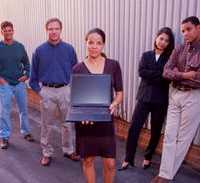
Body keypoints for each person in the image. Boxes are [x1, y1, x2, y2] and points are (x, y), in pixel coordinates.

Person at [151, 16, 200, 183]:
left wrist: (177, 75)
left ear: (198, 28)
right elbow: (166, 72)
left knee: (184, 138)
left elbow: (199, 78)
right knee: (170, 135)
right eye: (183, 31)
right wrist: (185, 75)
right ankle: (166, 173)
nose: (185, 33)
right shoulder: (179, 49)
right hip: (175, 94)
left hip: (193, 97)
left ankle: (165, 175)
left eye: (188, 29)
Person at [119, 27, 175, 171]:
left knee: (156, 130)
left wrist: (156, 75)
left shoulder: (170, 59)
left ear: (169, 43)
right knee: (134, 128)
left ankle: (148, 157)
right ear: (156, 38)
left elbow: (168, 79)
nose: (163, 42)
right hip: (144, 98)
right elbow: (141, 72)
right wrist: (160, 74)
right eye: (161, 38)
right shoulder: (146, 55)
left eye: (167, 41)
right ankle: (128, 158)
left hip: (160, 100)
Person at [73, 28, 123, 183]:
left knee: (110, 163)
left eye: (98, 43)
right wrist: (81, 116)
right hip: (85, 124)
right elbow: (76, 100)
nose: (94, 46)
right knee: (88, 161)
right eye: (91, 42)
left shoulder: (113, 65)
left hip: (105, 121)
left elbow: (120, 93)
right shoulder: (77, 69)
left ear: (103, 45)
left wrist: (114, 103)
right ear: (86, 43)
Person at [29, 18, 79, 166]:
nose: (53, 31)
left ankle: (68, 150)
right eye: (50, 29)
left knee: (68, 123)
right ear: (47, 30)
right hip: (47, 91)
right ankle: (46, 152)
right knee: (46, 124)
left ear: (61, 30)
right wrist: (41, 91)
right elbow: (33, 78)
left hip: (65, 90)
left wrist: (72, 90)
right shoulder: (39, 50)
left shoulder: (69, 49)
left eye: (56, 28)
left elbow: (76, 72)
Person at [0, 21, 34, 149]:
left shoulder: (19, 46)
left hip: (19, 83)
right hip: (5, 84)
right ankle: (4, 137)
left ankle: (26, 132)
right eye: (5, 30)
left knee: (23, 109)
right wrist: (1, 80)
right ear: (1, 32)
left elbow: (26, 63)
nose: (8, 32)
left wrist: (27, 75)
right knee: (4, 112)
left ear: (13, 31)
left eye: (10, 30)